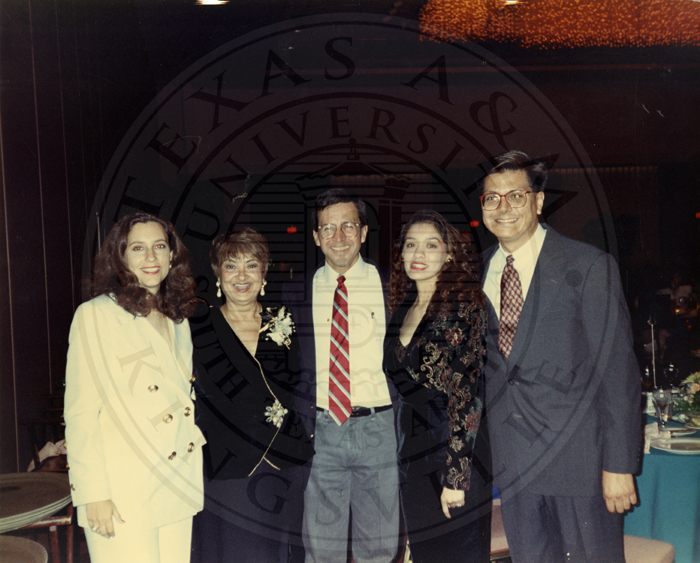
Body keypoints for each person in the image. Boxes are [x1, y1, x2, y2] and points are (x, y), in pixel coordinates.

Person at [480, 150, 642, 563]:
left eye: (516, 196)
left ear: (538, 201)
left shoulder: (587, 266)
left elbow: (617, 372)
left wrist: (619, 464)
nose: (503, 207)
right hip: (514, 469)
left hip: (581, 466)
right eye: (491, 198)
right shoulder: (474, 273)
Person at [63, 212, 204, 563]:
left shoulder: (178, 318)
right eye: (138, 248)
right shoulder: (96, 315)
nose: (151, 257)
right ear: (121, 257)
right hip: (123, 490)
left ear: (172, 255)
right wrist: (92, 493)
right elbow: (81, 413)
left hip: (176, 482)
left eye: (160, 246)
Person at [283, 188, 400, 563]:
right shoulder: (294, 292)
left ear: (363, 232)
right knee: (321, 550)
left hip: (379, 428)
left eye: (348, 226)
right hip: (321, 429)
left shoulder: (394, 287)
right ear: (316, 237)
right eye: (328, 228)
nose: (339, 237)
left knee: (379, 548)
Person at [189, 228, 314, 563]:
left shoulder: (284, 319)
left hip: (282, 463)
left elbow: (305, 380)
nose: (241, 276)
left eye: (251, 265)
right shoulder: (198, 328)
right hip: (225, 466)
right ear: (218, 274)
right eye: (231, 266)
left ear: (264, 273)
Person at [383, 210, 491, 563]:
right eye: (410, 245)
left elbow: (468, 396)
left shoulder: (466, 307)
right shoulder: (403, 306)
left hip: (453, 455)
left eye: (431, 245)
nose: (418, 254)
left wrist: (456, 478)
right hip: (412, 458)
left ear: (448, 254)